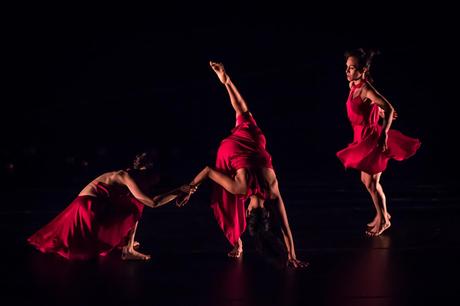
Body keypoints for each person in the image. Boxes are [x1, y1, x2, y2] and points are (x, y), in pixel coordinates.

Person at [178, 61, 308, 268]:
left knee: (243, 112)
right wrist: (190, 188)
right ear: (248, 212)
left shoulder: (272, 192)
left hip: (254, 141)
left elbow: (285, 227)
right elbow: (208, 171)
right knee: (226, 197)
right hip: (230, 150)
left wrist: (292, 254)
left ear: (265, 211)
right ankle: (236, 239)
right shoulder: (241, 189)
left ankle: (226, 80)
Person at [27, 152, 195, 260]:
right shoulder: (126, 176)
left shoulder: (127, 176)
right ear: (144, 169)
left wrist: (178, 191)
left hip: (88, 206)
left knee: (133, 205)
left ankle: (126, 246)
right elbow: (152, 202)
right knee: (136, 206)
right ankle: (127, 250)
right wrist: (178, 191)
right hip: (88, 208)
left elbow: (150, 198)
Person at [336, 49, 421, 236]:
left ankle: (384, 219)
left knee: (371, 183)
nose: (347, 72)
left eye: (352, 68)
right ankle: (381, 214)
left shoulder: (365, 88)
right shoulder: (353, 85)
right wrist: (378, 111)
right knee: (367, 182)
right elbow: (370, 106)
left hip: (372, 139)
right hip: (361, 139)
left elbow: (389, 108)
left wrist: (384, 134)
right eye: (347, 68)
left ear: (364, 69)